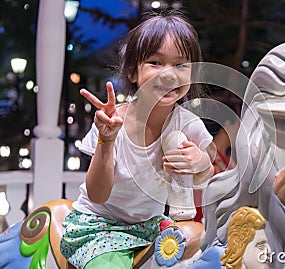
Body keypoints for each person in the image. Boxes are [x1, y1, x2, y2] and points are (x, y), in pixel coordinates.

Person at [60, 10, 214, 269]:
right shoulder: (112, 123)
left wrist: (200, 163)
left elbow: (208, 171)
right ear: (133, 72)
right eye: (155, 62)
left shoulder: (188, 124)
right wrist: (106, 141)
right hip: (100, 227)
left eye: (180, 65)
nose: (168, 74)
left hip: (151, 228)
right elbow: (97, 195)